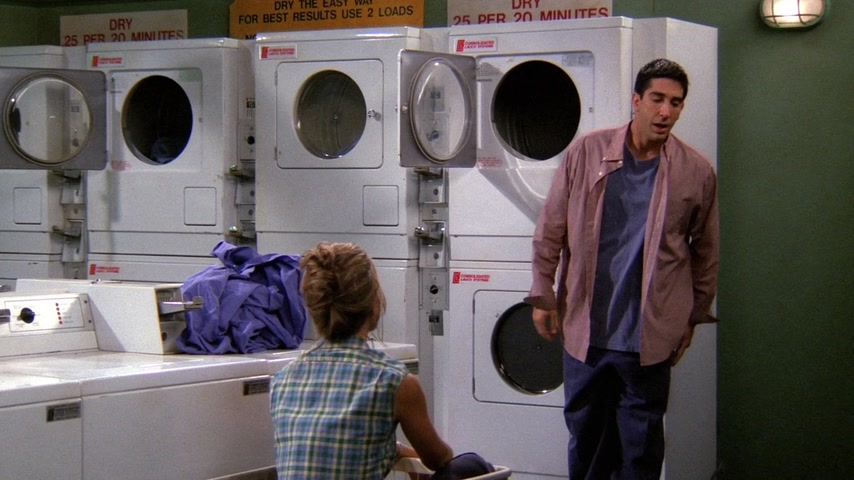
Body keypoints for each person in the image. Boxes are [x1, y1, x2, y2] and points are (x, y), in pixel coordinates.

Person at [525, 58, 719, 479]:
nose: (665, 111)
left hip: (649, 335)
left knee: (641, 451)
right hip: (587, 329)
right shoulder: (588, 151)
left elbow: (706, 252)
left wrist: (693, 316)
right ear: (637, 100)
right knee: (587, 443)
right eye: (657, 99)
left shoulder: (696, 170)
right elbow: (551, 226)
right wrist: (543, 295)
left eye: (675, 103)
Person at [270, 242, 495, 479]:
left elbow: (327, 446)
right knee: (473, 464)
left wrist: (393, 449)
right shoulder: (392, 380)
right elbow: (437, 458)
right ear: (374, 305)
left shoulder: (283, 379)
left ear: (314, 308)